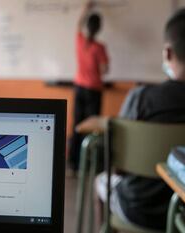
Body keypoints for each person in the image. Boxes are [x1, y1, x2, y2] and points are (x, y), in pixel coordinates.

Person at [95, 7, 185, 230]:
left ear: (167, 53)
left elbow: (119, 168)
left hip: (138, 209)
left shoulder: (140, 98)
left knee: (100, 181)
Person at [69, 1, 109, 172]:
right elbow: (104, 70)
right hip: (93, 90)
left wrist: (86, 8)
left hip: (79, 88)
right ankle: (88, 165)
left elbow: (78, 24)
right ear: (99, 28)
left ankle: (73, 165)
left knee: (77, 125)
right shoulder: (99, 47)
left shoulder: (80, 41)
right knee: (92, 128)